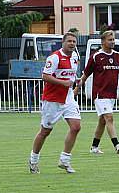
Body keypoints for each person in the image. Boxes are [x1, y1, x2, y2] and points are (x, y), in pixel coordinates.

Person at [28, 32, 82, 174]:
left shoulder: (75, 57)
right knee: (45, 131)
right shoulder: (55, 57)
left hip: (68, 98)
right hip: (52, 100)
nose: (72, 44)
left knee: (76, 127)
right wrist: (63, 83)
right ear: (63, 43)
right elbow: (45, 76)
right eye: (69, 41)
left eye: (74, 42)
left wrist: (76, 82)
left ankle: (65, 160)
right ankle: (33, 160)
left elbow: (71, 75)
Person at [80, 30, 119, 155]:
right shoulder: (96, 56)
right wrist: (77, 88)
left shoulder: (118, 56)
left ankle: (94, 147)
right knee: (109, 118)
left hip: (112, 94)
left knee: (103, 121)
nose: (112, 42)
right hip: (100, 94)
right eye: (110, 40)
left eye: (113, 39)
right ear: (103, 41)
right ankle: (117, 145)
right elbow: (85, 74)